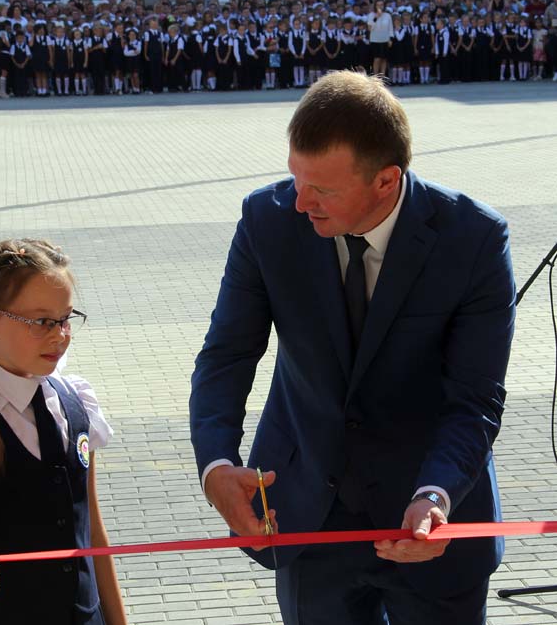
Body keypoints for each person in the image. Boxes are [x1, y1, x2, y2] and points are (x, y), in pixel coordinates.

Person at [190, 70, 514, 625]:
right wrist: (217, 463)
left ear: (386, 181)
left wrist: (436, 496)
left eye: (323, 189)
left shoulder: (475, 239)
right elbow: (226, 354)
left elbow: (475, 397)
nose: (299, 201)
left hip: (430, 521)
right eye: (296, 177)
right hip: (307, 513)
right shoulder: (266, 221)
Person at [0, 238, 126, 625]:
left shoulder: (75, 401)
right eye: (42, 322)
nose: (59, 335)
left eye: (65, 319)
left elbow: (92, 531)